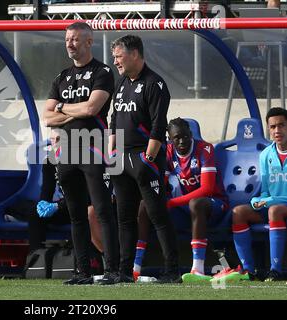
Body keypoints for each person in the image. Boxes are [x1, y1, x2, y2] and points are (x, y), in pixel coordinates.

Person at [43, 22, 119, 285]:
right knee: (75, 213)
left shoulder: (103, 71)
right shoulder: (61, 77)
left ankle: (113, 270)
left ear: (89, 42)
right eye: (67, 40)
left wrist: (62, 107)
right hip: (66, 151)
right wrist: (70, 110)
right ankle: (82, 271)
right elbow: (47, 116)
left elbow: (92, 109)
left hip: (93, 149)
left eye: (75, 39)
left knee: (101, 211)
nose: (70, 44)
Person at [108, 34, 180, 284]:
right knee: (124, 217)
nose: (115, 61)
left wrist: (148, 159)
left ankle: (172, 271)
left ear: (135, 54)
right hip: (121, 159)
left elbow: (159, 125)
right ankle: (124, 272)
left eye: (119, 56)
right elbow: (114, 119)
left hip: (144, 158)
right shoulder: (121, 83)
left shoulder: (154, 83)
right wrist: (111, 153)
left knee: (157, 215)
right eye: (114, 57)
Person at [133, 118, 229, 282]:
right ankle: (135, 268)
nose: (182, 140)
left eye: (185, 136)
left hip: (214, 204)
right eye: (177, 137)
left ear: (191, 134)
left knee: (196, 203)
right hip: (186, 208)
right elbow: (162, 184)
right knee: (145, 205)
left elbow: (207, 189)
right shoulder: (167, 151)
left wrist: (172, 203)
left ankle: (197, 269)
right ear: (170, 139)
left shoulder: (205, 148)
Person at [216, 108, 287, 282]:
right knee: (239, 212)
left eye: (282, 125)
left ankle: (275, 270)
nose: (277, 131)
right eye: (272, 127)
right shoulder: (265, 155)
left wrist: (270, 201)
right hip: (273, 207)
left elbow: (272, 200)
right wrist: (258, 200)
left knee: (274, 211)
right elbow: (265, 191)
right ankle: (249, 270)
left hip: (277, 209)